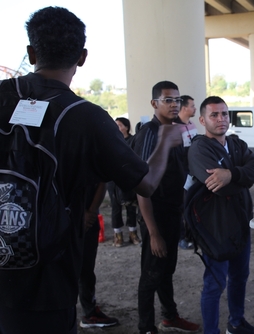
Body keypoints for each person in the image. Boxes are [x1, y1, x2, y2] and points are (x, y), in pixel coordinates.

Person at [0, 7, 182, 334]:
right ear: (82, 57)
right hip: (46, 282)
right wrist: (166, 141)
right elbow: (147, 183)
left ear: (31, 52)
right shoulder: (86, 117)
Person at [188, 96, 254, 334]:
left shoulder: (236, 144)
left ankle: (236, 322)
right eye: (214, 115)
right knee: (215, 283)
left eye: (224, 114)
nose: (221, 119)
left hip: (241, 222)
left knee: (240, 276)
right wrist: (241, 178)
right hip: (216, 227)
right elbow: (219, 187)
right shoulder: (199, 148)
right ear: (202, 120)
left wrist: (231, 175)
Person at [134, 81, 200, 334]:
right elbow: (142, 186)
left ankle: (170, 316)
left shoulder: (177, 131)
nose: (175, 104)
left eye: (177, 100)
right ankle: (145, 327)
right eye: (168, 100)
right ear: (154, 104)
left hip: (173, 212)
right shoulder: (150, 133)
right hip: (156, 215)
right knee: (151, 273)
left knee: (166, 269)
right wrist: (153, 232)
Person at [79, 183, 119, 328]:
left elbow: (100, 182)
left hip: (86, 220)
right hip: (66, 218)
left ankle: (90, 313)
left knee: (86, 270)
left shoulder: (89, 160)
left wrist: (90, 212)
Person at [107, 117, 141, 247]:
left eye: (120, 125)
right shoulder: (111, 140)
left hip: (127, 177)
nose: (117, 128)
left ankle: (133, 233)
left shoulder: (133, 140)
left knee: (131, 206)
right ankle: (118, 235)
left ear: (126, 127)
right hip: (113, 179)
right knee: (115, 206)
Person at [174, 95, 198, 250]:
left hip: (193, 172)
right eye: (192, 105)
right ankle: (182, 237)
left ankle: (192, 235)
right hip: (181, 174)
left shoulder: (192, 125)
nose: (194, 108)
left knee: (192, 204)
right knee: (181, 205)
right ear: (184, 108)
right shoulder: (174, 127)